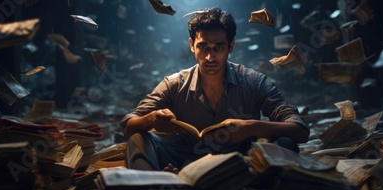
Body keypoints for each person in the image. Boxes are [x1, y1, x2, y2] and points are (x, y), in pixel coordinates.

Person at [120, 7, 309, 172]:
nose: (210, 57)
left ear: (231, 46)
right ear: (192, 45)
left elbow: (300, 129)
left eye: (218, 47)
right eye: (203, 47)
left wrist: (249, 128)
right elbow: (128, 127)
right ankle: (149, 188)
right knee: (138, 139)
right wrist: (151, 119)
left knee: (285, 144)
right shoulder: (174, 83)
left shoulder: (253, 81)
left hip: (244, 160)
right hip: (186, 159)